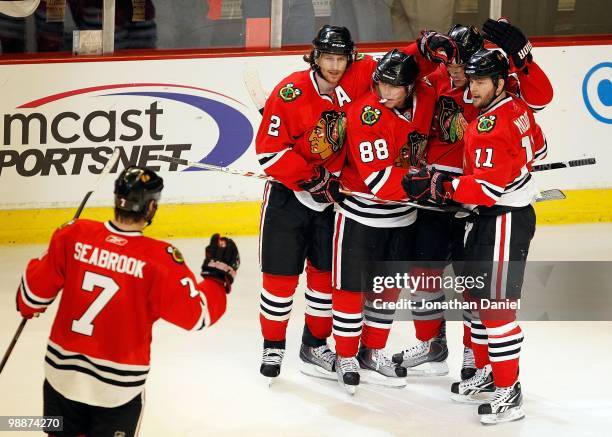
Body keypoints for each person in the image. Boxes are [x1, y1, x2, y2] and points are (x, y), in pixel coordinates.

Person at [255, 24, 437, 382]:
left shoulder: (363, 75)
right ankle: (272, 346)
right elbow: (268, 152)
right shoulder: (291, 92)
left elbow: (400, 66)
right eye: (328, 57)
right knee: (279, 280)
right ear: (315, 55)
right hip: (288, 199)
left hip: (334, 202)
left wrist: (424, 46)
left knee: (324, 283)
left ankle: (314, 346)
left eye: (341, 58)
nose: (335, 66)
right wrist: (310, 178)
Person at [16, 166, 239, 437]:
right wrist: (217, 278)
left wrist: (31, 300)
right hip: (117, 389)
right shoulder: (159, 259)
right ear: (151, 208)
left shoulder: (73, 235)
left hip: (60, 378)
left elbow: (30, 298)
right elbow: (198, 316)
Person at [392, 20, 553, 380]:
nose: (456, 71)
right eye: (450, 63)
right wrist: (419, 47)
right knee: (424, 272)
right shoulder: (434, 78)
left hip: (472, 194)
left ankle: (474, 351)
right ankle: (432, 345)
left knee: (473, 282)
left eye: (463, 65)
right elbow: (390, 72)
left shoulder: (494, 83)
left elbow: (541, 98)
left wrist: (525, 60)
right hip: (435, 191)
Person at [332, 49, 436, 393]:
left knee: (386, 291)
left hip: (402, 220)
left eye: (395, 88)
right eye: (381, 85)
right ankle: (346, 355)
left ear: (411, 88)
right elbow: (378, 181)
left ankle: (371, 351)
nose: (385, 93)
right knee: (350, 288)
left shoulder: (426, 101)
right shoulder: (366, 114)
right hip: (360, 216)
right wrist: (427, 189)